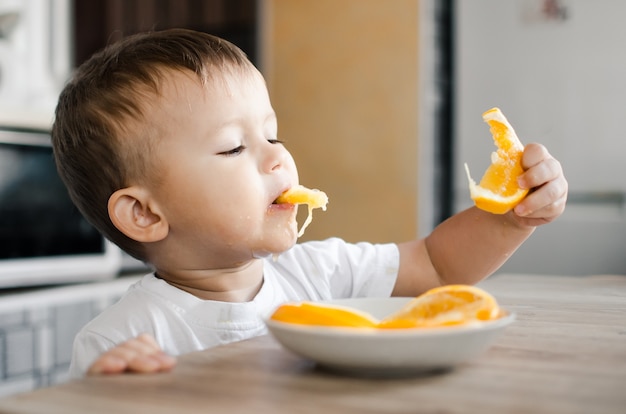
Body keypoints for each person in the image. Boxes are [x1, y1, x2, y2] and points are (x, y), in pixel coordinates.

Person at [51, 28, 568, 377]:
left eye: (273, 136)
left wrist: (512, 216)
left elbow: (436, 264)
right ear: (144, 213)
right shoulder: (119, 341)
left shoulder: (316, 275)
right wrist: (109, 393)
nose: (278, 159)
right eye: (234, 146)